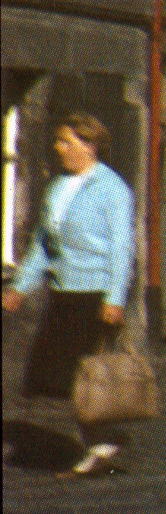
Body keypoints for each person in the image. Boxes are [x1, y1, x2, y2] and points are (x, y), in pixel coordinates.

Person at [2, 113, 138, 476]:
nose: (58, 148)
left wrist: (115, 298)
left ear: (89, 145)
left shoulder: (112, 189)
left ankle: (99, 446)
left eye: (66, 141)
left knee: (83, 376)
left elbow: (122, 249)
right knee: (57, 376)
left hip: (95, 294)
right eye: (58, 141)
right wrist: (20, 286)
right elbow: (43, 245)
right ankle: (101, 442)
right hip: (63, 292)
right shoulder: (57, 187)